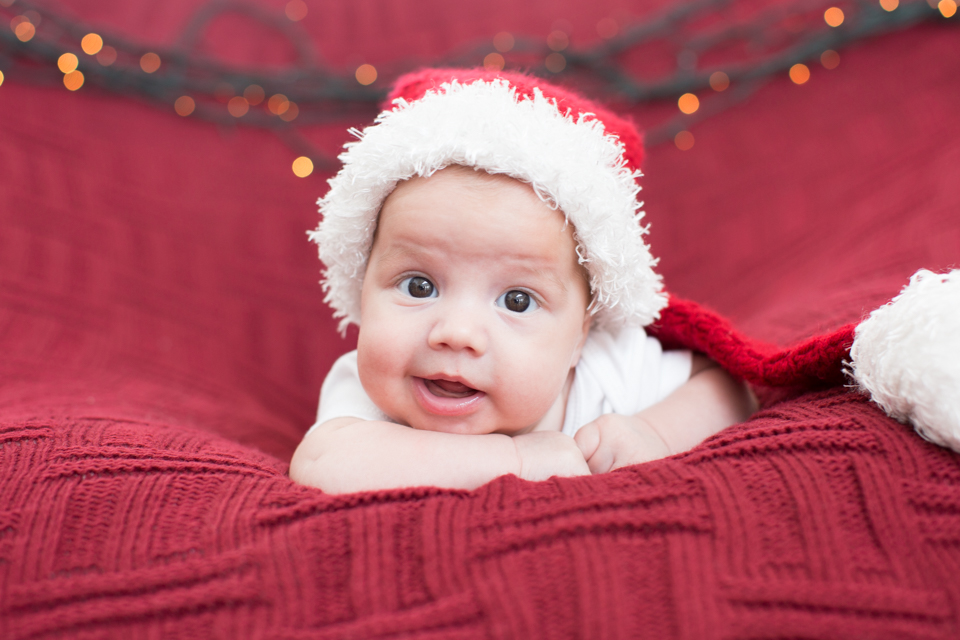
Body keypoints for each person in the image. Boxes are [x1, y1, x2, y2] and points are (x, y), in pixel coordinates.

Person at [289, 69, 756, 494]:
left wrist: (654, 432)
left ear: (580, 336)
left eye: (516, 300)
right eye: (419, 286)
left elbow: (731, 389)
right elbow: (324, 463)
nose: (457, 333)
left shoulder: (602, 373)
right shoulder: (371, 393)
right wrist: (516, 459)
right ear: (363, 287)